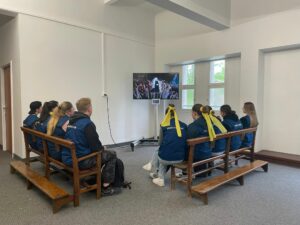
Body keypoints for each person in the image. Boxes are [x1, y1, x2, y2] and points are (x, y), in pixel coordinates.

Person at [61, 98, 119, 195]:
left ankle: (97, 177)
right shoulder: (87, 124)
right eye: (91, 106)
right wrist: (103, 148)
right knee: (112, 154)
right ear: (89, 109)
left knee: (103, 152)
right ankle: (106, 187)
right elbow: (96, 148)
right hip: (80, 160)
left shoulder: (71, 120)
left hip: (68, 157)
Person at [143, 104, 187, 187]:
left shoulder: (163, 125)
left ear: (166, 115)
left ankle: (159, 175)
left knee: (160, 152)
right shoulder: (184, 125)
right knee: (166, 152)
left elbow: (159, 143)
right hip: (181, 158)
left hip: (167, 158)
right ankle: (155, 172)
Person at [187, 104, 213, 173]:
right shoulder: (210, 123)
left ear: (195, 113)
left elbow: (187, 141)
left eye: (191, 112)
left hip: (197, 154)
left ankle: (185, 172)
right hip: (208, 151)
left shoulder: (193, 126)